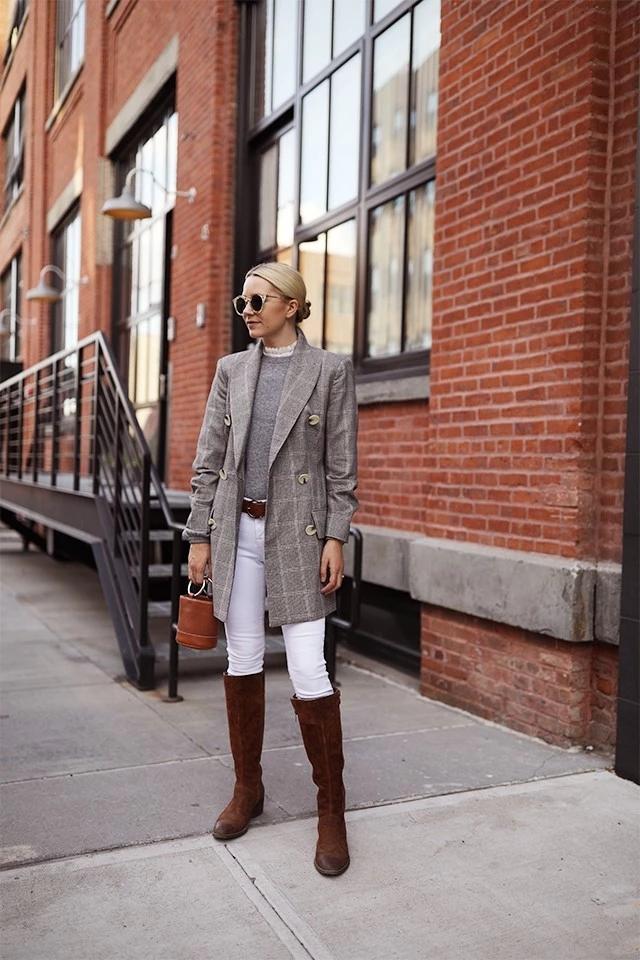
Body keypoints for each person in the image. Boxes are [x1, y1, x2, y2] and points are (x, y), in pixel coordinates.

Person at [182, 262, 359, 876]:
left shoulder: (330, 370)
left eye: (258, 300)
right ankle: (248, 789)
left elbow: (341, 466)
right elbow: (209, 461)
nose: (248, 311)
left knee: (309, 669)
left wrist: (336, 535)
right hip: (237, 532)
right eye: (242, 302)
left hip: (299, 537)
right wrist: (199, 535)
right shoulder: (231, 370)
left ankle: (331, 811)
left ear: (291, 304)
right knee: (242, 659)